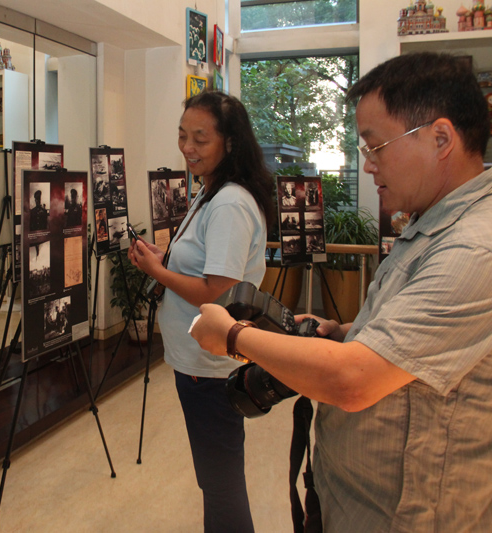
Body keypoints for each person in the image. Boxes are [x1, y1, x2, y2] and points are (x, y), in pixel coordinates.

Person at [190, 52, 492, 532]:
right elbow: (417, 327)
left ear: (441, 139)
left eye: (377, 146)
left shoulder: (475, 248)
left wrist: (233, 338)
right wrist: (348, 330)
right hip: (348, 498)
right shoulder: (431, 224)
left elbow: (355, 381)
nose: (368, 165)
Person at [129, 91, 276, 532]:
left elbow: (217, 292)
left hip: (210, 367)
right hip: (197, 361)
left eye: (200, 138)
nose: (188, 147)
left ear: (229, 143)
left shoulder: (230, 202)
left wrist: (159, 271)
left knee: (221, 482)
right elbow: (206, 267)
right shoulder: (211, 191)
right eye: (181, 136)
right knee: (217, 478)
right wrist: (167, 260)